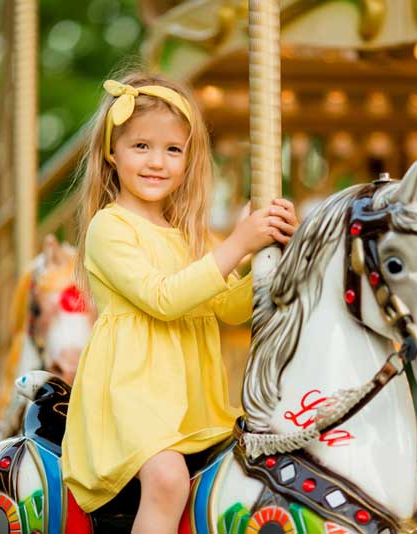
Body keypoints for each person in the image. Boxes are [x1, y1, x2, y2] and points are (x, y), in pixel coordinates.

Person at [61, 71, 298, 533]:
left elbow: (228, 308)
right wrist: (236, 243)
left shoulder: (190, 235)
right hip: (133, 401)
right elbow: (164, 299)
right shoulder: (110, 228)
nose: (157, 162)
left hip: (187, 403)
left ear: (189, 160)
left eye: (173, 149)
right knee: (168, 479)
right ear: (112, 152)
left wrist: (269, 254)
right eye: (141, 146)